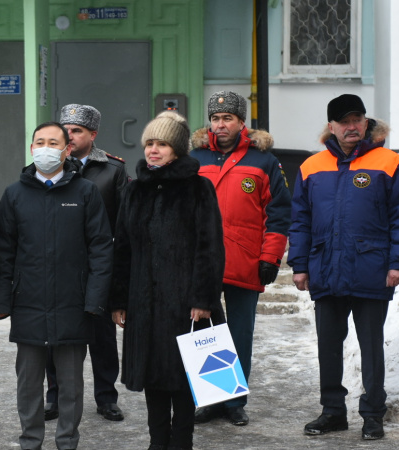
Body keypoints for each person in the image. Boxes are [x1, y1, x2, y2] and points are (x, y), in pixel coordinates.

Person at [288, 94, 399, 441]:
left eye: (357, 120)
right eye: (344, 122)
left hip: (372, 269)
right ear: (331, 126)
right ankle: (332, 411)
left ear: (366, 122)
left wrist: (398, 263)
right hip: (326, 270)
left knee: (371, 347)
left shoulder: (391, 162)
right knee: (328, 346)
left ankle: (373, 414)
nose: (351, 127)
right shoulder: (311, 167)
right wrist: (299, 265)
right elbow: (300, 220)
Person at [0, 122, 113, 450]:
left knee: (72, 386)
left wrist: (95, 300)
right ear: (32, 149)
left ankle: (67, 443)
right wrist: (2, 300)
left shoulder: (85, 193)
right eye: (39, 142)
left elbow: (101, 248)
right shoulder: (15, 194)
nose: (45, 148)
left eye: (53, 142)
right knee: (29, 385)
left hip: (74, 304)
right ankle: (30, 441)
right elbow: (3, 252)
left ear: (67, 149)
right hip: (28, 304)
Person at [111, 111, 225, 450]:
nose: (153, 150)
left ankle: (182, 441)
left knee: (183, 376)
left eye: (161, 144)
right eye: (149, 143)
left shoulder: (198, 188)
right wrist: (118, 300)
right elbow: (122, 249)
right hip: (142, 302)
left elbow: (210, 247)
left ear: (176, 149)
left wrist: (203, 299)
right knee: (152, 378)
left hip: (185, 303)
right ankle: (157, 441)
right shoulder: (134, 191)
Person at [189, 91, 291, 426]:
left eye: (227, 119)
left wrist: (271, 257)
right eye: (215, 119)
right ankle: (212, 398)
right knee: (205, 330)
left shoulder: (263, 161)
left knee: (238, 332)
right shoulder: (197, 158)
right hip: (202, 261)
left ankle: (235, 401)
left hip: (245, 260)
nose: (220, 125)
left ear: (241, 122)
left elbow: (278, 213)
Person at [42, 104, 129, 423]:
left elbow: (124, 226)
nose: (70, 136)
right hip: (58, 269)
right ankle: (55, 396)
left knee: (102, 338)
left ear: (93, 135)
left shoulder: (113, 170)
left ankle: (106, 397)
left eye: (77, 130)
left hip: (98, 270)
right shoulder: (47, 166)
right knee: (55, 337)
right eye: (66, 130)